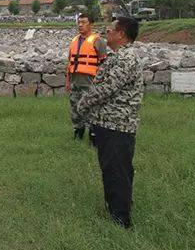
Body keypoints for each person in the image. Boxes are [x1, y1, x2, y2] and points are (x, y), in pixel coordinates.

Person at [77, 16, 143, 229]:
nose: (107, 33)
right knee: (117, 169)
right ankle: (119, 206)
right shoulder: (120, 56)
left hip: (117, 125)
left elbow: (106, 88)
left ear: (121, 34)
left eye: (110, 30)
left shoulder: (125, 59)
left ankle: (120, 219)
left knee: (116, 170)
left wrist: (83, 103)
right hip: (111, 123)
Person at [66, 12, 107, 144]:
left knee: (91, 108)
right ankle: (78, 132)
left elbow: (104, 64)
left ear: (91, 24)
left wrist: (101, 84)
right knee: (75, 107)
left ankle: (93, 135)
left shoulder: (98, 41)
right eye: (79, 22)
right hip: (75, 80)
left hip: (91, 81)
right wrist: (68, 81)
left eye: (84, 22)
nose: (80, 25)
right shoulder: (74, 40)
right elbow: (70, 62)